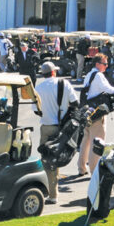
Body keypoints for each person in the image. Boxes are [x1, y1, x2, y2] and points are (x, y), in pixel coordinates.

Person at [76, 53, 114, 177]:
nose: (107, 66)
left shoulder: (89, 75)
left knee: (86, 141)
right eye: (105, 64)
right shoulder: (98, 75)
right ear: (98, 64)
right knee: (97, 142)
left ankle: (81, 167)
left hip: (87, 111)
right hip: (97, 113)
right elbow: (110, 89)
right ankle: (94, 170)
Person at [34, 61, 75, 203]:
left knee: (47, 159)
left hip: (46, 126)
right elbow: (75, 103)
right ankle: (53, 191)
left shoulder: (38, 88)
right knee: (56, 158)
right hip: (62, 127)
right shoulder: (65, 84)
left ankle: (52, 194)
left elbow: (36, 110)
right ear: (53, 72)